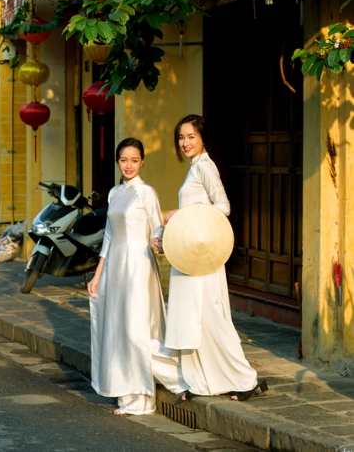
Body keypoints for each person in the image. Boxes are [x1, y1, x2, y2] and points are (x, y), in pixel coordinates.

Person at [162, 114, 266, 402]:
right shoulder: (196, 167)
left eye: (191, 136)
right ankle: (202, 382)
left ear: (203, 139)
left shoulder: (206, 167)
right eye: (181, 137)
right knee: (197, 320)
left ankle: (244, 379)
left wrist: (180, 214)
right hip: (191, 255)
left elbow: (224, 206)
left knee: (211, 317)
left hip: (203, 258)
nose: (185, 142)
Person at [86, 138, 189, 415]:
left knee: (135, 330)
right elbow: (109, 236)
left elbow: (157, 227)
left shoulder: (146, 192)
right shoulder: (114, 193)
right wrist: (98, 275)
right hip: (115, 267)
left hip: (138, 265)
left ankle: (148, 397)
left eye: (134, 160)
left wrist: (158, 241)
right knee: (118, 330)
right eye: (123, 160)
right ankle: (127, 396)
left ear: (142, 161)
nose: (129, 165)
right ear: (118, 161)